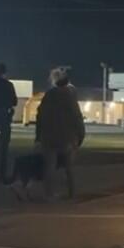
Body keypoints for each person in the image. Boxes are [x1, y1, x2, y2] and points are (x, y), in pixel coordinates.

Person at [35, 67, 85, 199]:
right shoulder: (70, 96)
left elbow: (40, 115)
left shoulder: (48, 95)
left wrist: (38, 135)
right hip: (67, 137)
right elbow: (77, 117)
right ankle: (71, 193)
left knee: (50, 166)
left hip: (49, 136)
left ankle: (49, 194)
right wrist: (81, 135)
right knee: (69, 167)